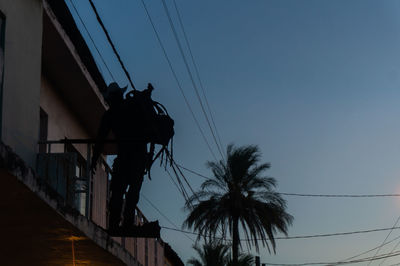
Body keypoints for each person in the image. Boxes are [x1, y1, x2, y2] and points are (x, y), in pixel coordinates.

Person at [91, 82, 156, 234]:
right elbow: (150, 131)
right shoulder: (134, 107)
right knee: (130, 191)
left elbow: (100, 138)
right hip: (138, 158)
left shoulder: (111, 114)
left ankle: (116, 223)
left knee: (119, 191)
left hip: (127, 158)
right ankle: (125, 223)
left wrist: (94, 159)